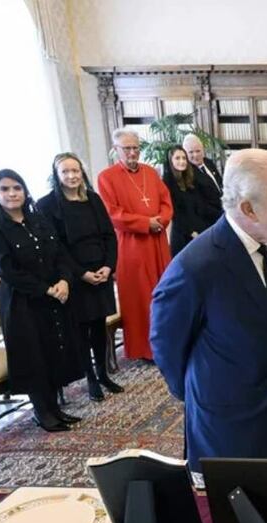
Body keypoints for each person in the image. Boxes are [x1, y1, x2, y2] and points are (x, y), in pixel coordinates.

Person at [150, 148, 267, 474]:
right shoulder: (196, 266)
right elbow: (167, 346)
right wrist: (205, 395)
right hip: (227, 430)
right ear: (248, 208)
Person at [0, 169, 82, 432]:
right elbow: (8, 271)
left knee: (54, 350)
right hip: (22, 302)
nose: (12, 193)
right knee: (34, 355)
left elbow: (60, 254)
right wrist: (46, 289)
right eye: (5, 189)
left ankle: (55, 408)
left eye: (17, 188)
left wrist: (64, 280)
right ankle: (42, 412)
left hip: (55, 296)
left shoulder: (39, 220)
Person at [35, 153, 123, 402]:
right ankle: (90, 378)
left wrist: (108, 266)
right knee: (81, 329)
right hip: (74, 275)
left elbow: (109, 235)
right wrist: (81, 273)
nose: (72, 176)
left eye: (75, 171)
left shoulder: (93, 199)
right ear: (56, 175)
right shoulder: (47, 205)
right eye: (65, 172)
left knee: (99, 326)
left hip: (101, 271)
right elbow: (56, 247)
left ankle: (102, 373)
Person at [97, 128, 173, 362]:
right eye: (127, 148)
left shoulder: (150, 172)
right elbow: (112, 213)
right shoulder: (107, 177)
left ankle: (167, 342)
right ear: (116, 150)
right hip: (132, 246)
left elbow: (166, 202)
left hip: (158, 241)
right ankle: (145, 348)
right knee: (140, 297)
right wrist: (144, 223)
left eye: (136, 148)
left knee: (164, 291)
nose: (132, 153)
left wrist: (161, 221)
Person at [163, 146, 223, 256]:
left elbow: (200, 205)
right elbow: (176, 214)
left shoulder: (190, 179)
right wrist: (191, 231)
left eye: (184, 158)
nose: (182, 161)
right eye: (177, 158)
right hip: (183, 235)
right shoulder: (167, 183)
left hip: (200, 229)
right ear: (170, 161)